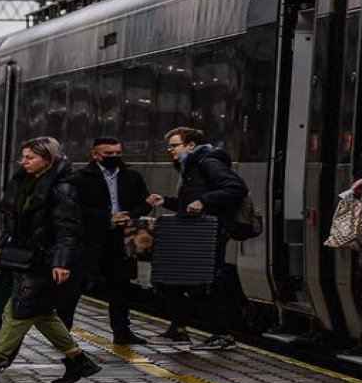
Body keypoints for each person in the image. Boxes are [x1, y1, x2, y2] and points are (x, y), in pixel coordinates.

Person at [0, 137, 101, 383]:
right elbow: (15, 223)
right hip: (26, 256)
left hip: (46, 259)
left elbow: (68, 229)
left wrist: (61, 263)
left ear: (48, 159)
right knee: (40, 313)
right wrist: (1, 246)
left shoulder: (63, 187)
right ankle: (78, 360)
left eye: (30, 157)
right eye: (23, 157)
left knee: (18, 310)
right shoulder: (25, 182)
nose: (23, 162)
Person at [145, 127, 248, 350]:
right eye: (169, 146)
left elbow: (236, 188)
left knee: (199, 284)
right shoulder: (190, 166)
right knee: (171, 280)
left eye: (174, 145)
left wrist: (204, 200)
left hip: (207, 235)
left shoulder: (208, 163)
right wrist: (166, 201)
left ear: (191, 146)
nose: (170, 150)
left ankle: (223, 335)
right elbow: (189, 203)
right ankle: (178, 330)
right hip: (193, 232)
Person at [68, 136, 151, 345]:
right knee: (76, 286)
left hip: (121, 239)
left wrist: (130, 215)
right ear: (95, 155)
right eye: (108, 153)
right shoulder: (81, 177)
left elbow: (144, 202)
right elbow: (74, 207)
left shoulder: (131, 176)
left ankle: (122, 331)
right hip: (90, 239)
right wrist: (107, 218)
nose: (114, 157)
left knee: (121, 286)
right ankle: (63, 332)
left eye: (117, 153)